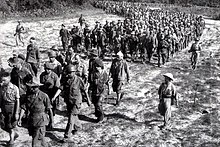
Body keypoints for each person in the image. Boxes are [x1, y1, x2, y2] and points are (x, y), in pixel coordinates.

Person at [53, 65, 90, 143]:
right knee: (73, 115)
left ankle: (67, 136)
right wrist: (54, 97)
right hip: (69, 101)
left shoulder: (79, 80)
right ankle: (78, 127)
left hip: (76, 101)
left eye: (69, 73)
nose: (68, 74)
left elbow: (84, 91)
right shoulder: (66, 79)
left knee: (71, 118)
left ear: (74, 72)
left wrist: (88, 101)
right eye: (67, 73)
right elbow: (60, 88)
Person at [18, 78, 53, 147]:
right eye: (31, 87)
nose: (32, 89)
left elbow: (49, 109)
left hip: (41, 120)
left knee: (36, 141)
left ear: (38, 87)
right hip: (31, 120)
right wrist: (19, 119)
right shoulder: (28, 96)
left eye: (34, 87)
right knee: (39, 138)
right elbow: (24, 108)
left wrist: (51, 121)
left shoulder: (44, 96)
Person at [0, 72, 20, 145]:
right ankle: (14, 134)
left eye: (4, 80)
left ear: (9, 79)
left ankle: (11, 140)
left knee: (11, 125)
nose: (2, 82)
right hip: (4, 107)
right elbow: (1, 99)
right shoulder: (2, 88)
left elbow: (17, 101)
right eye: (1, 80)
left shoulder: (14, 88)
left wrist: (17, 113)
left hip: (12, 108)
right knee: (3, 125)